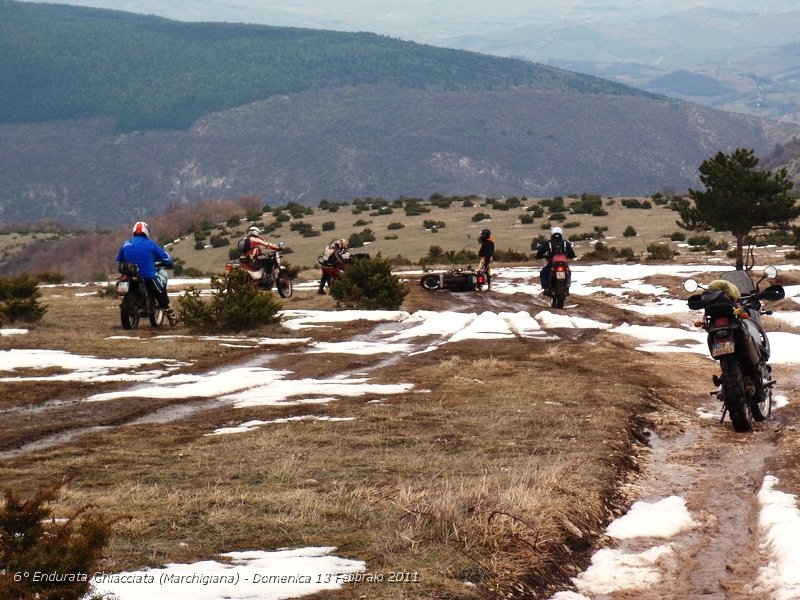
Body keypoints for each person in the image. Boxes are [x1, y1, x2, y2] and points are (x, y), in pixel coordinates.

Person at [116, 221, 177, 326]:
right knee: (160, 291)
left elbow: (118, 258)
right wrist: (169, 262)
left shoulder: (126, 243)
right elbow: (165, 258)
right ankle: (171, 316)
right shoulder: (150, 244)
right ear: (146, 232)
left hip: (129, 275)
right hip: (146, 276)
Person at [536, 226, 576, 295]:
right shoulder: (565, 243)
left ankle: (546, 288)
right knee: (568, 273)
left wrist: (539, 256)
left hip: (552, 263)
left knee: (543, 273)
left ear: (551, 234)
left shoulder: (549, 243)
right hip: (563, 263)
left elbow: (540, 252)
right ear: (561, 233)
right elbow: (572, 253)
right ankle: (567, 288)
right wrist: (570, 256)